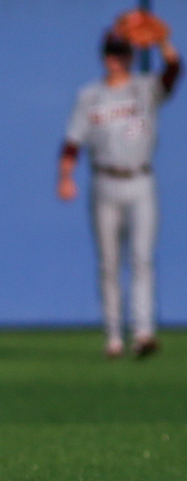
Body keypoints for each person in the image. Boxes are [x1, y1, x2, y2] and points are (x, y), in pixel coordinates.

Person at [58, 21, 179, 358]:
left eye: (121, 52)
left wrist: (164, 42)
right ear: (103, 57)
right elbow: (72, 141)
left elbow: (173, 73)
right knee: (109, 264)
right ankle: (113, 337)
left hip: (140, 180)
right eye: (111, 53)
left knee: (142, 259)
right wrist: (65, 176)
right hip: (104, 181)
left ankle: (143, 333)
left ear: (130, 56)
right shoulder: (90, 96)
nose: (115, 59)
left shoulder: (144, 88)